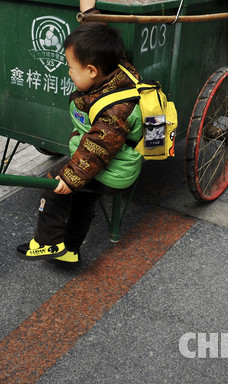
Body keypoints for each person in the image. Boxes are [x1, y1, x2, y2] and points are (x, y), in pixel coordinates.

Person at [16, 22, 143, 264]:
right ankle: (71, 250)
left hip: (112, 170)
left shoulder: (115, 110)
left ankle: (47, 243)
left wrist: (70, 176)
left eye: (71, 67)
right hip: (109, 166)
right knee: (83, 198)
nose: (68, 72)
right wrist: (89, 16)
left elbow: (98, 147)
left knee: (53, 184)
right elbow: (101, 46)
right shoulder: (118, 71)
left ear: (93, 71)